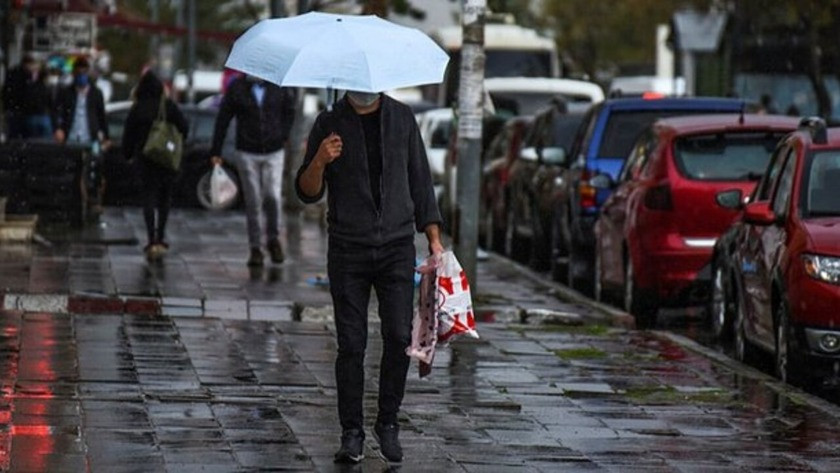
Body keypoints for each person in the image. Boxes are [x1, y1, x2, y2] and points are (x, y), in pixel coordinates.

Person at [296, 90, 444, 465]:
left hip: (396, 246)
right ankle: (352, 433)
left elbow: (420, 180)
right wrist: (320, 159)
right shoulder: (328, 123)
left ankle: (388, 422)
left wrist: (434, 241)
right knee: (351, 344)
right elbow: (307, 191)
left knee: (397, 335)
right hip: (348, 248)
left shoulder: (403, 119)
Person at [210, 75, 296, 267]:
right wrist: (216, 149)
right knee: (253, 200)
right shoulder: (237, 88)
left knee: (272, 195)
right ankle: (255, 247)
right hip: (247, 151)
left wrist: (283, 135)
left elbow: (290, 110)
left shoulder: (278, 86)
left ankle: (273, 239)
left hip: (274, 150)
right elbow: (223, 117)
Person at [121, 71, 188, 260]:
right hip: (166, 160)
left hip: (145, 159)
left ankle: (151, 239)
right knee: (164, 198)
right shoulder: (167, 106)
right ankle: (161, 236)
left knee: (148, 198)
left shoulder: (137, 108)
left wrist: (127, 154)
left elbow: (128, 134)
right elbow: (184, 127)